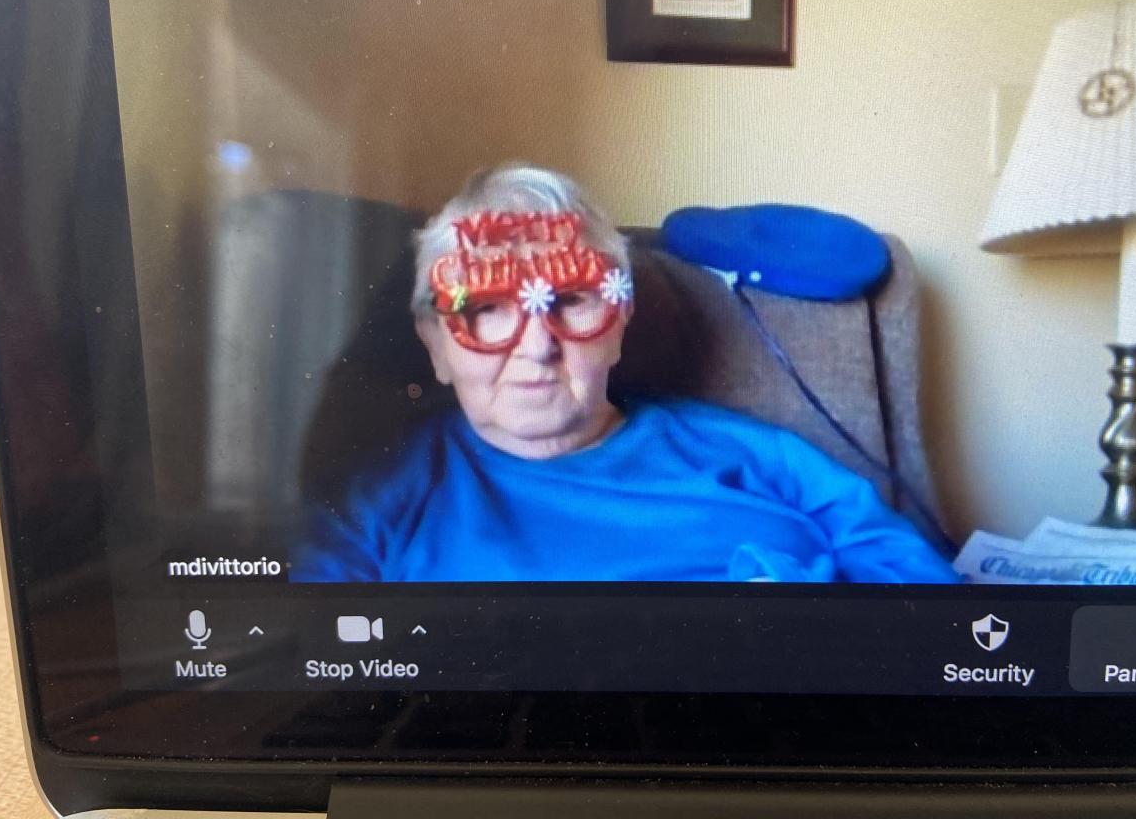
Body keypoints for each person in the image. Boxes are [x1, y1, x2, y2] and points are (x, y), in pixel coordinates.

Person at [291, 164, 959, 583]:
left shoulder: (760, 458)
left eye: (572, 301)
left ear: (620, 321)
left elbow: (918, 591)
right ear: (436, 345)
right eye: (488, 310)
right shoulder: (376, 500)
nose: (537, 346)